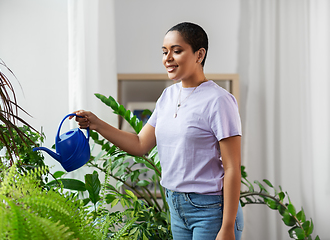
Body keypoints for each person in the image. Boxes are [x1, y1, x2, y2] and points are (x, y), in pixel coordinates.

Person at [72, 22, 244, 240]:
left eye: (177, 51)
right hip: (176, 207)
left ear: (199, 54)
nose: (168, 58)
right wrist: (96, 123)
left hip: (211, 210)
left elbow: (231, 168)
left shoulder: (219, 100)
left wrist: (227, 227)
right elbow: (139, 144)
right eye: (165, 52)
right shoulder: (167, 97)